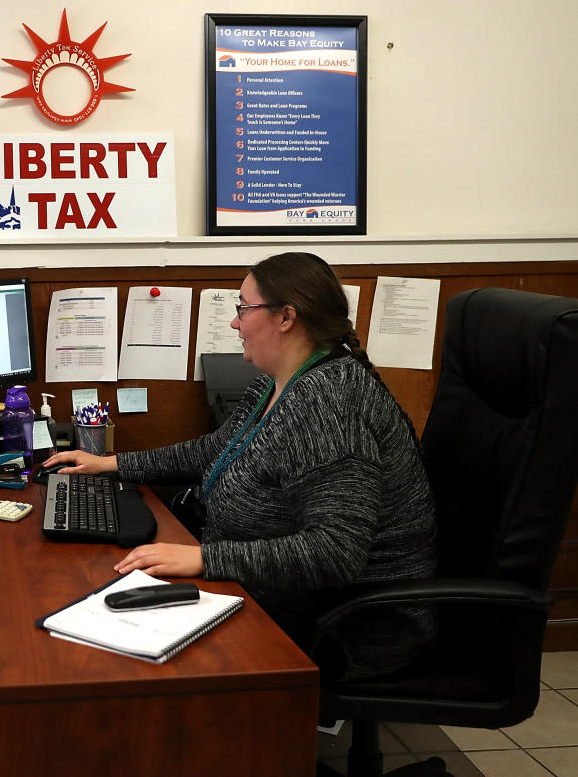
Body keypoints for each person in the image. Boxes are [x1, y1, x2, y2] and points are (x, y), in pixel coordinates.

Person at [42, 252, 436, 680]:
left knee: (118, 660)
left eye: (243, 309)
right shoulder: (278, 380)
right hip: (275, 592)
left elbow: (335, 553)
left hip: (341, 626)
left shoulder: (328, 404)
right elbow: (214, 450)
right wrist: (110, 463)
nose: (234, 323)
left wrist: (205, 558)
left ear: (285, 317)